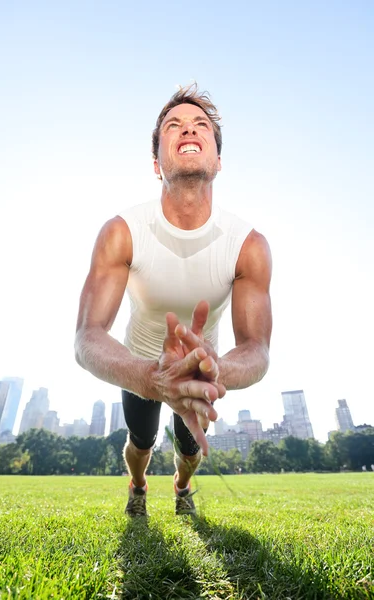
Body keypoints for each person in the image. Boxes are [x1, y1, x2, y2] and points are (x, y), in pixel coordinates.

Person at [75, 84, 272, 517]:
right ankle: (139, 484)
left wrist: (219, 370)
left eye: (201, 124)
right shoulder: (121, 232)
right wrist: (151, 378)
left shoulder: (248, 245)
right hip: (140, 365)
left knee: (189, 450)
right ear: (155, 163)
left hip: (201, 371)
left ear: (218, 161)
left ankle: (182, 488)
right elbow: (87, 337)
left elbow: (257, 349)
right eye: (174, 125)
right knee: (140, 444)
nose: (189, 129)